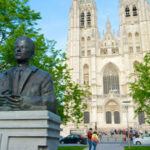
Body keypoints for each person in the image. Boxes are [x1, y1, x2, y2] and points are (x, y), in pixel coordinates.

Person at [0, 37, 57, 113]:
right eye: (16, 47)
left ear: (32, 53)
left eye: (23, 47)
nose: (18, 50)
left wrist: (24, 101)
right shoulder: (4, 75)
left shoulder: (43, 76)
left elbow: (51, 102)